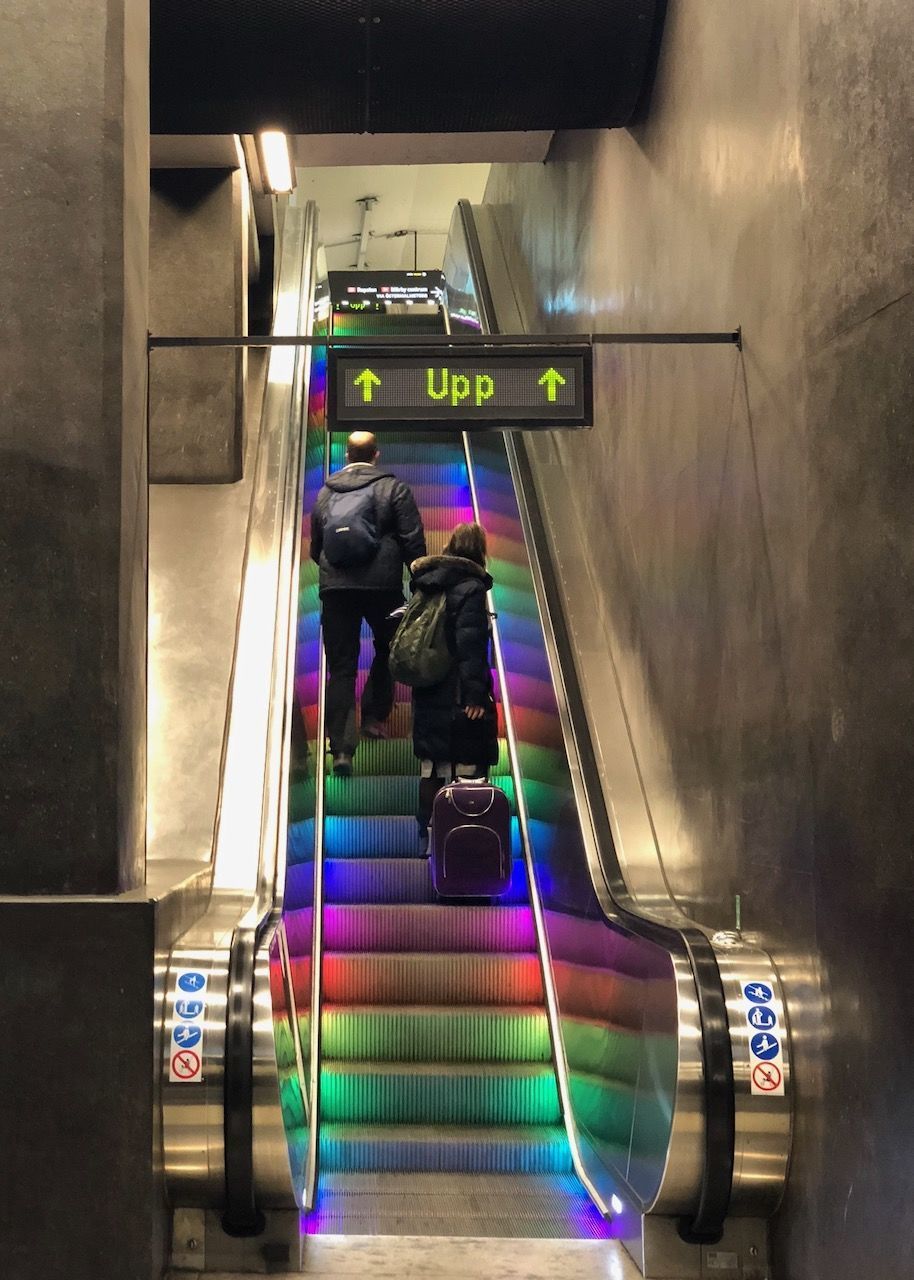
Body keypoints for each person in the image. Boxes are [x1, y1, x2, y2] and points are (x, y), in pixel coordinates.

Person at [311, 431, 426, 776]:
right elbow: (412, 541)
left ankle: (342, 750)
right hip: (383, 588)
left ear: (347, 456)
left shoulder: (325, 492)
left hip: (336, 591)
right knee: (390, 649)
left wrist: (339, 575)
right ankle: (374, 717)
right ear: (376, 455)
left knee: (341, 668)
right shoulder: (393, 489)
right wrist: (421, 585)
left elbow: (315, 549)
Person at [409, 522, 499, 853]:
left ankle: (427, 837)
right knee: (467, 767)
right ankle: (463, 844)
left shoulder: (427, 585)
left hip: (429, 688)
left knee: (432, 765)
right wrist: (475, 694)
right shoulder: (472, 588)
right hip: (459, 694)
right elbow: (470, 643)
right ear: (480, 551)